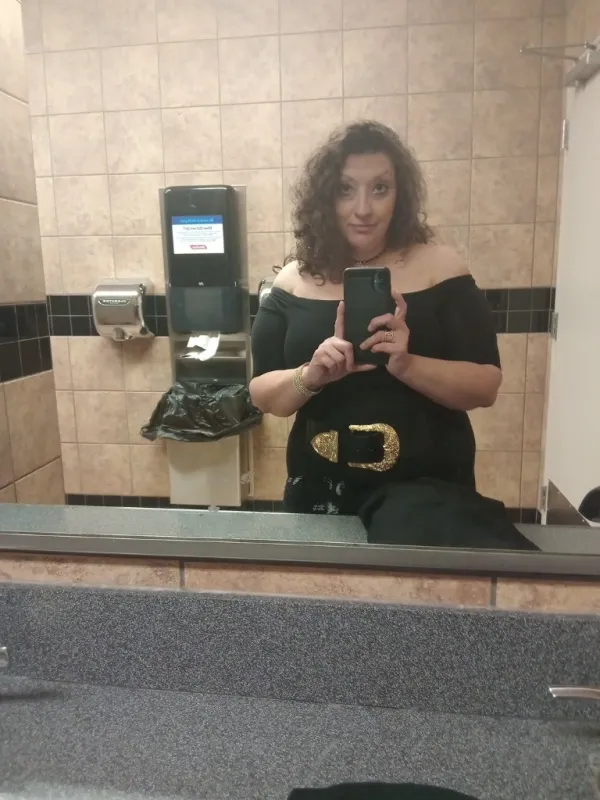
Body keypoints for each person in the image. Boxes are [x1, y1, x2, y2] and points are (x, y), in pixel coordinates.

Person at [250, 121, 502, 516]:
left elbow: (485, 387)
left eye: (380, 188)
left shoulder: (442, 269)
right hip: (319, 488)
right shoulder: (293, 281)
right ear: (325, 198)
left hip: (429, 493)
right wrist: (310, 376)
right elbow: (262, 395)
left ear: (400, 196)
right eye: (345, 189)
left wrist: (408, 365)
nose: (363, 209)